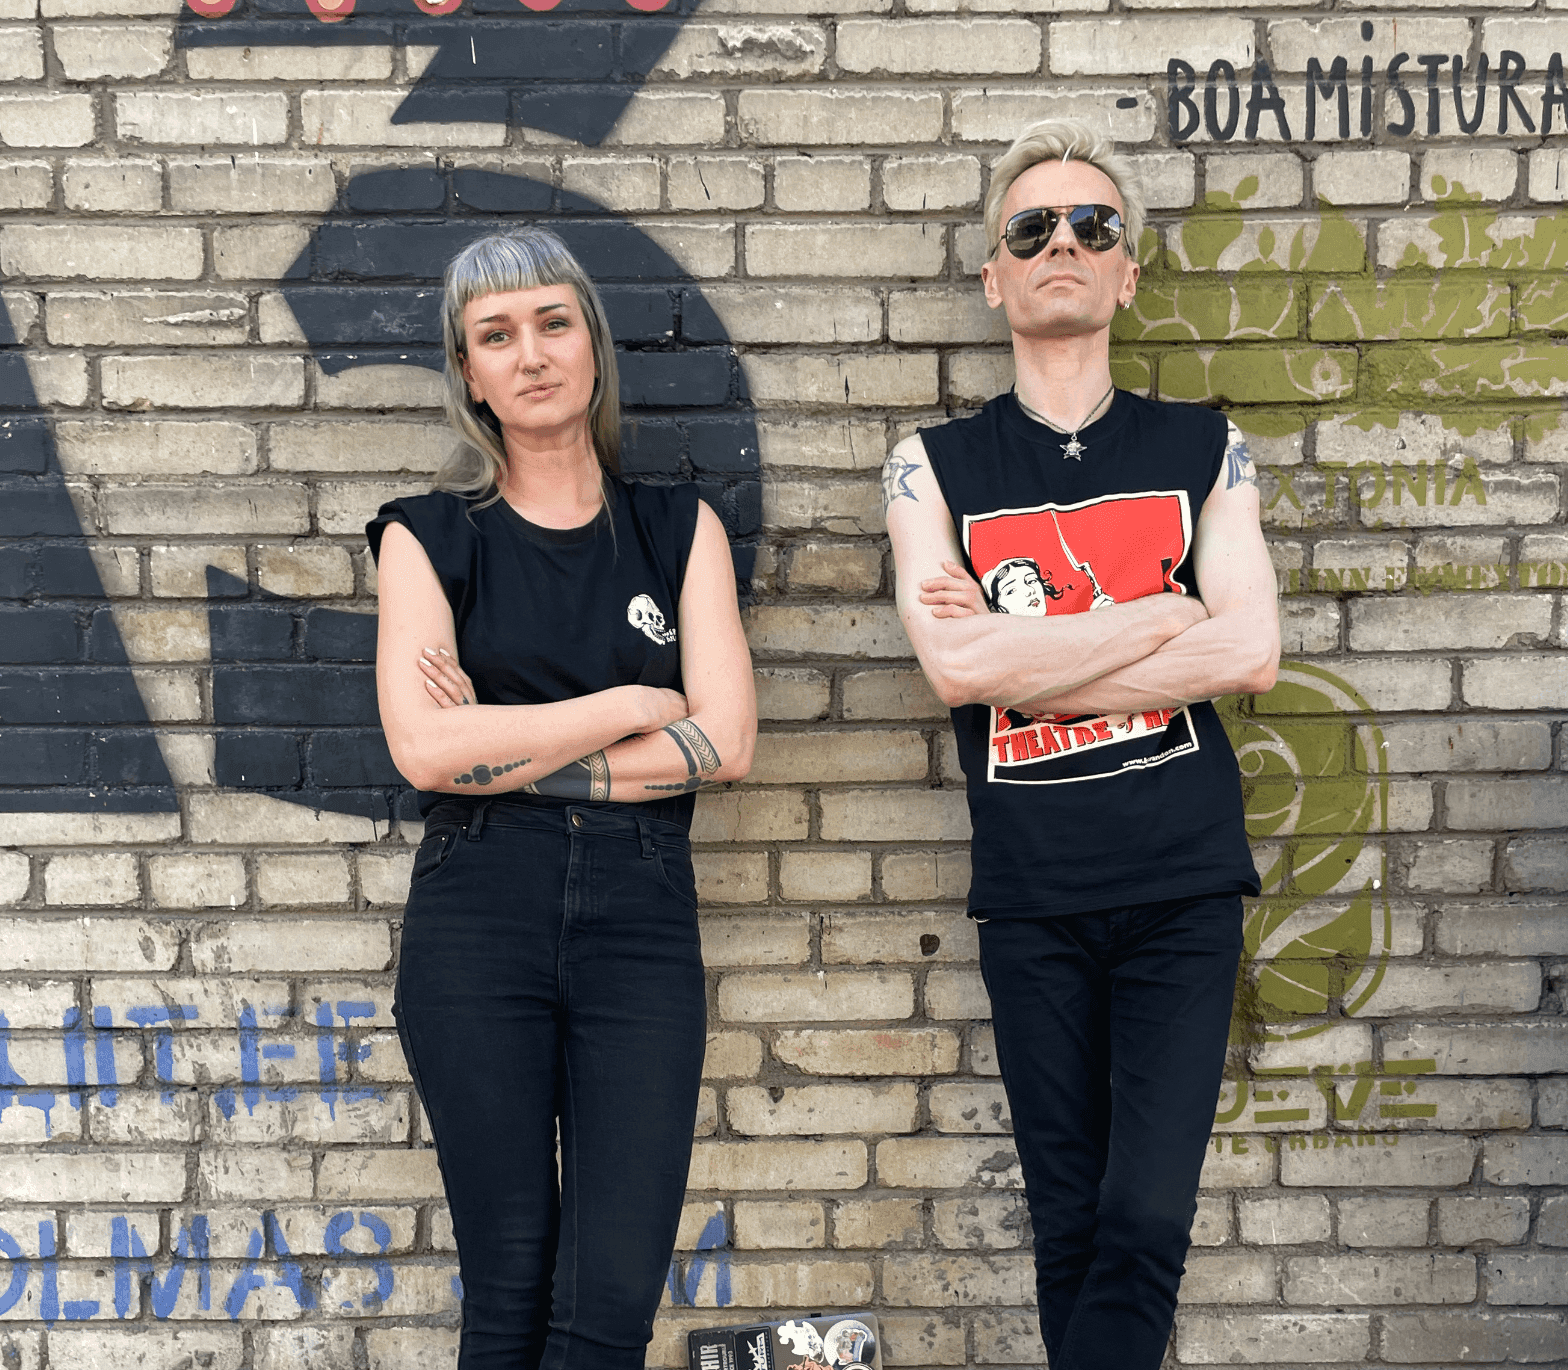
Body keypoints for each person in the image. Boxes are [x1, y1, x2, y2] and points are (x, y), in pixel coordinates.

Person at [883, 121, 1279, 1370]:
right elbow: (957, 670)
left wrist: (1034, 656)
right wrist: (1162, 612)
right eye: (1031, 227)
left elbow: (1249, 651)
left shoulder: (1203, 447)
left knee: (1143, 1219)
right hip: (1034, 892)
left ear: (1127, 271)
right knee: (1068, 1227)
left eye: (1091, 225)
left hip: (1180, 883)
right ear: (992, 276)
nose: (1062, 241)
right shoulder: (930, 464)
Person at [366, 228, 756, 1369]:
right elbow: (425, 751)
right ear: (469, 371)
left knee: (612, 1296)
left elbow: (726, 741)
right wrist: (629, 702)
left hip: (640, 918)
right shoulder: (426, 537)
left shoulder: (678, 529)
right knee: (509, 1283)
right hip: (479, 909)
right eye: (496, 335)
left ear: (592, 344)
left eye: (552, 323)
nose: (530, 354)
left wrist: (506, 738)